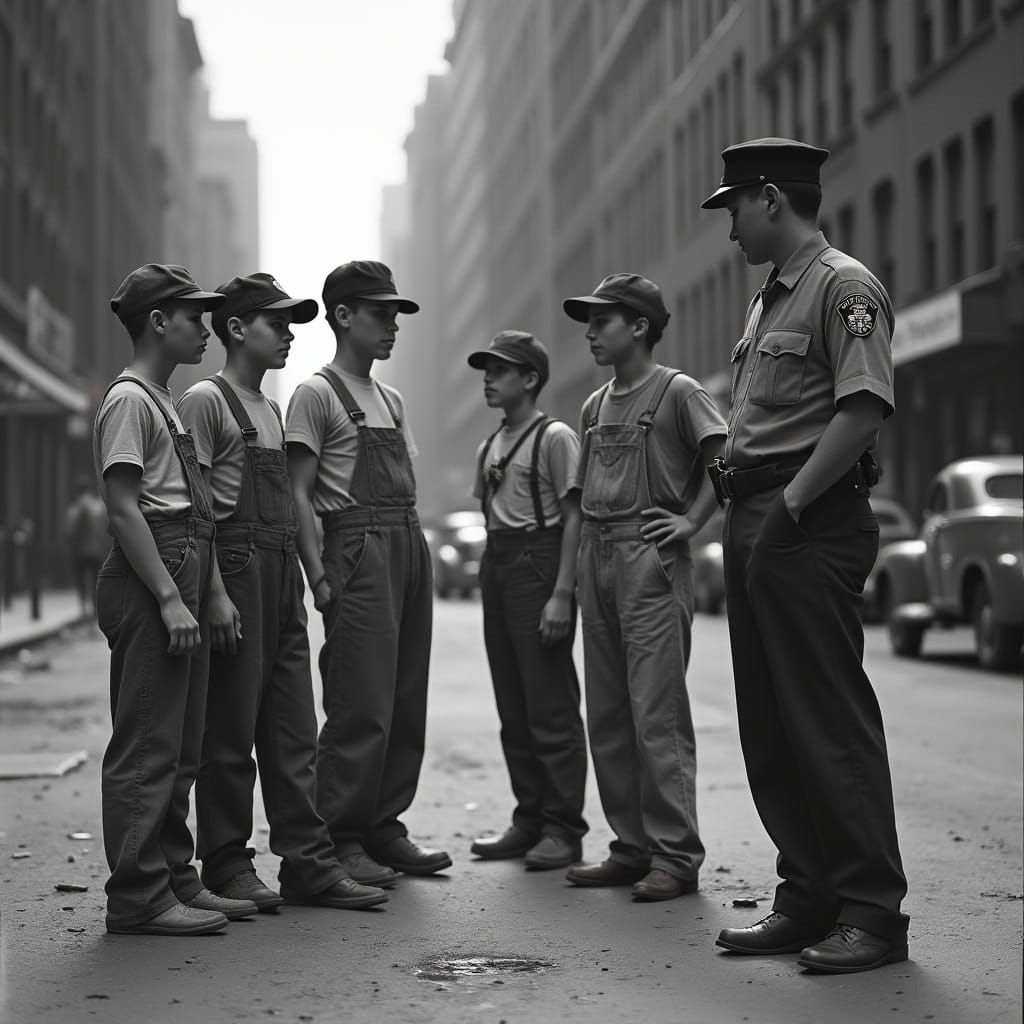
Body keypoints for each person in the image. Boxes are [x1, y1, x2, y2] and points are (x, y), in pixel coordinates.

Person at [701, 138, 908, 973]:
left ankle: (871, 912)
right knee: (772, 724)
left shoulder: (843, 287)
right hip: (757, 516)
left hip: (807, 518)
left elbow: (863, 409)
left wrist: (787, 507)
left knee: (827, 721)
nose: (730, 229)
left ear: (771, 200)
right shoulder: (766, 301)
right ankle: (809, 894)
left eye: (735, 209)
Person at [176, 273, 389, 913]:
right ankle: (227, 864)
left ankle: (308, 863)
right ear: (238, 328)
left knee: (295, 728)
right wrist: (213, 593)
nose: (291, 335)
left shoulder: (271, 407)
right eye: (278, 323)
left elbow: (295, 505)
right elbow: (199, 512)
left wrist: (311, 574)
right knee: (230, 731)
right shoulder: (205, 402)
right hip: (236, 578)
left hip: (281, 580)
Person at [95, 264, 258, 936]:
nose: (206, 328)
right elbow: (123, 506)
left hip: (183, 561)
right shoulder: (131, 399)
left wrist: (209, 590)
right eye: (195, 316)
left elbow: (197, 512)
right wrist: (168, 597)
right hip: (152, 571)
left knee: (181, 744)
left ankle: (174, 880)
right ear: (159, 321)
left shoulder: (162, 397)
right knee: (147, 743)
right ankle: (137, 895)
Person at [560, 273, 726, 901]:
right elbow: (580, 496)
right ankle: (631, 846)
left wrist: (691, 519)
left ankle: (675, 854)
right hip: (597, 558)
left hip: (651, 562)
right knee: (607, 713)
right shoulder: (595, 405)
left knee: (656, 714)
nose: (591, 332)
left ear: (638, 326)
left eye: (601, 321)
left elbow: (723, 457)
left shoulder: (677, 391)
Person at [286, 261, 449, 885]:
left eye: (397, 316)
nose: (393, 327)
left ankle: (383, 826)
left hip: (407, 542)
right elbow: (297, 493)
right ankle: (340, 836)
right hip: (356, 549)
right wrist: (318, 577)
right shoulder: (316, 394)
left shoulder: (392, 398)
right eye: (382, 314)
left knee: (406, 698)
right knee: (361, 702)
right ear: (344, 315)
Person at [466, 331, 588, 870]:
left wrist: (563, 592)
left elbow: (574, 518)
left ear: (531, 379)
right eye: (486, 370)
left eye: (500, 370)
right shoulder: (488, 445)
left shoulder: (555, 437)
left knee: (550, 705)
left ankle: (563, 828)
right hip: (499, 563)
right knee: (512, 704)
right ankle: (529, 819)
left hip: (538, 565)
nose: (489, 380)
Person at [64, 476, 108, 614]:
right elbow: (107, 527)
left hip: (80, 550)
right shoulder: (98, 506)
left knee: (81, 578)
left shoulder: (74, 508)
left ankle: (83, 607)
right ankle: (95, 608)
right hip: (97, 549)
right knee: (97, 579)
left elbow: (69, 530)